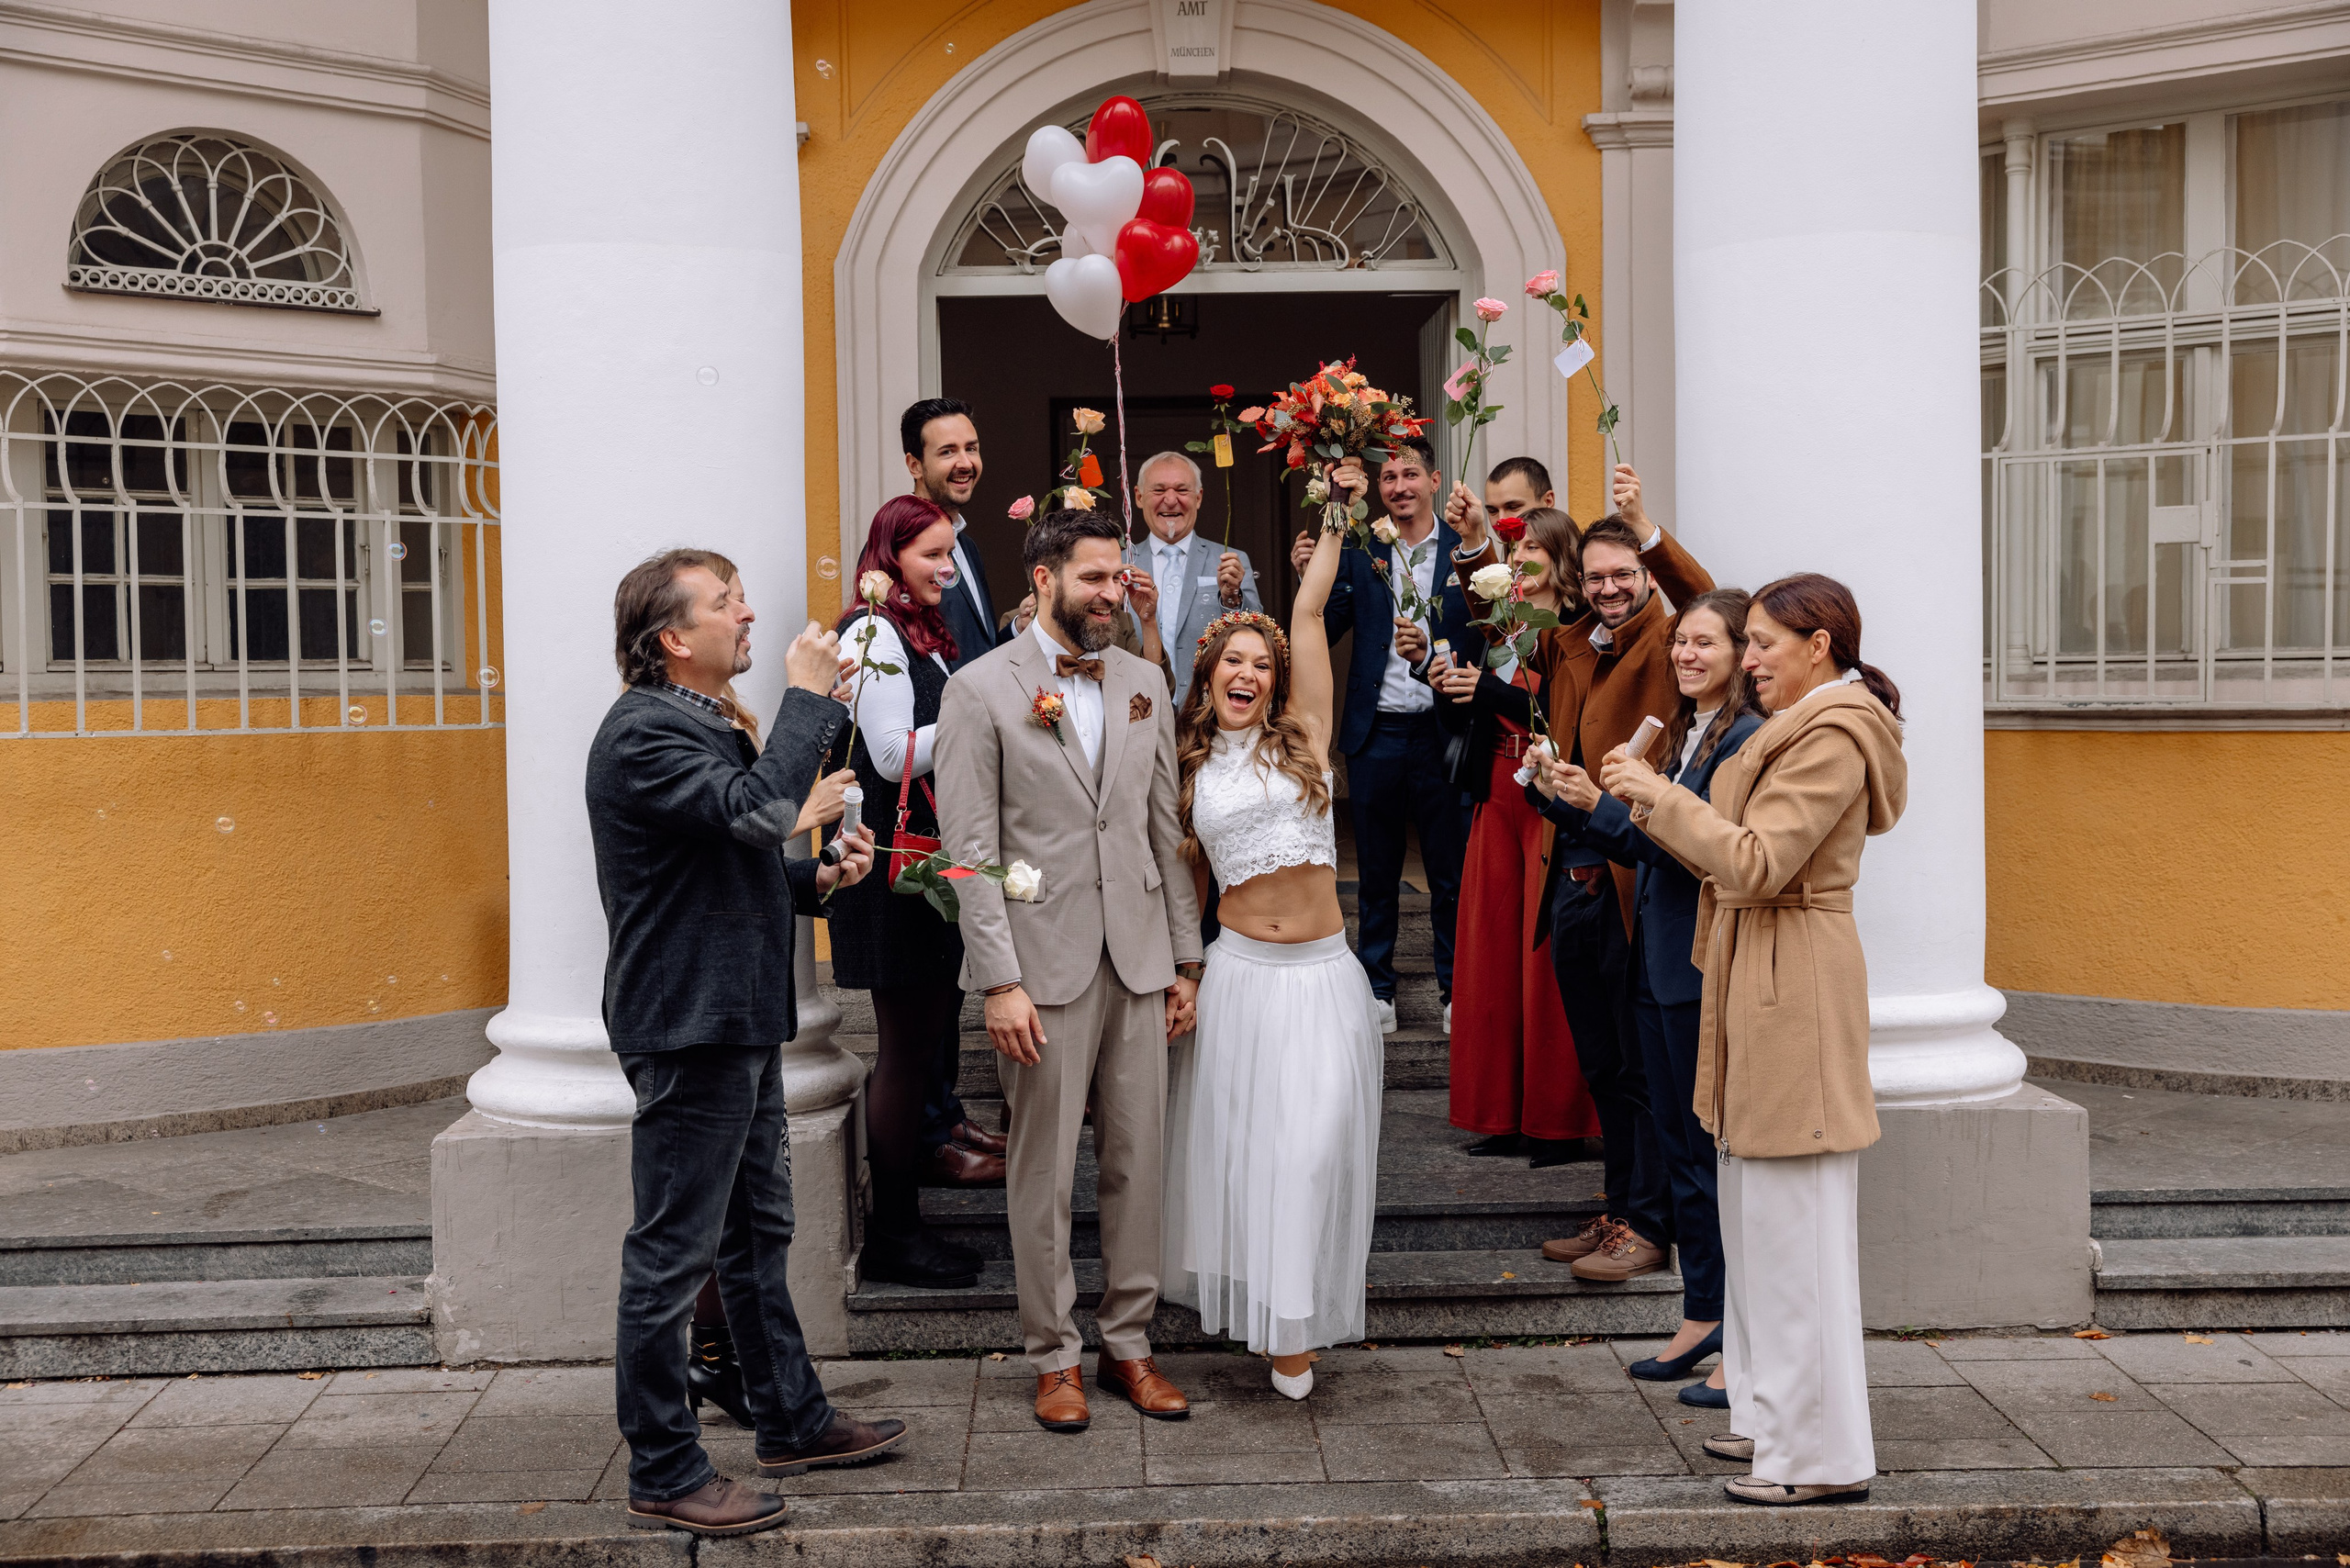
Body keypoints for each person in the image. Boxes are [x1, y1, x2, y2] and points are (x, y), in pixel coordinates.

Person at [588, 550, 905, 1537]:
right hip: (688, 1027)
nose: (749, 612)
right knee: (672, 1257)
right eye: (725, 603)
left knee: (754, 1235)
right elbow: (761, 812)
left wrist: (819, 881)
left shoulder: (699, 722)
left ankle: (790, 1417)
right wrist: (808, 698)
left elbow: (737, 855)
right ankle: (663, 1466)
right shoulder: (644, 731)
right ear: (674, 638)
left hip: (734, 1018)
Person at [1598, 572, 1905, 1507]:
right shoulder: (1798, 724)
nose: (1751, 656)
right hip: (1762, 974)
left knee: (1795, 1236)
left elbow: (1758, 859)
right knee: (1760, 1224)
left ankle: (1818, 1459)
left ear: (1819, 645)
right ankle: (1774, 1422)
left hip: (1793, 981)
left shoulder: (1834, 733)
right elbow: (1727, 829)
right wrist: (1657, 793)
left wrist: (1653, 791)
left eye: (1765, 641)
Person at [934, 507, 1203, 1434]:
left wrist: (1184, 957)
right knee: (1041, 1173)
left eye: (1119, 576)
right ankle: (1053, 1356)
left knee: (1138, 1160)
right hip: (1039, 966)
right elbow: (968, 851)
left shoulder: (1140, 682)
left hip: (1136, 957)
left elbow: (1163, 831)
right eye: (1094, 577)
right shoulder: (977, 689)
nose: (1112, 592)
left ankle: (1130, 1340)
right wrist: (997, 978)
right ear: (1044, 577)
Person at [1449, 465, 1709, 1285]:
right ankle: (1618, 1209)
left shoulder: (1666, 641)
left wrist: (1648, 530)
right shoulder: (1567, 645)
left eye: (1622, 575)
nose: (1608, 589)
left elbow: (1697, 596)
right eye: (1597, 577)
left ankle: (1649, 1223)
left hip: (1632, 876)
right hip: (1570, 871)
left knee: (1639, 1069)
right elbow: (1505, 617)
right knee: (1603, 1063)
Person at [1164, 459, 1382, 1402]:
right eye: (1232, 662)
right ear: (1206, 678)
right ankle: (1283, 1327)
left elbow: (1305, 609)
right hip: (1241, 977)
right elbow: (1186, 888)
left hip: (1325, 978)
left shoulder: (1304, 735)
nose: (1250, 671)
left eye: (1260, 662)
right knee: (1259, 1151)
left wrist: (1337, 509)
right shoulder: (1185, 771)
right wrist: (1184, 975)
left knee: (1316, 1144)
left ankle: (1292, 1313)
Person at [1536, 588, 1763, 1402]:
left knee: (1711, 1160)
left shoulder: (1745, 738)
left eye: (1706, 643)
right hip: (1655, 959)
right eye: (1682, 643)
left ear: (1744, 654)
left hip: (1699, 970)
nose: (1686, 655)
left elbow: (1707, 855)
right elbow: (1653, 842)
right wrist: (1580, 805)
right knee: (1679, 1156)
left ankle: (1743, 1337)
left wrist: (1612, 805)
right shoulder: (1690, 731)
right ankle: (1701, 1314)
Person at [828, 495, 1001, 1291]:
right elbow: (893, 756)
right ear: (890, 557)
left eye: (948, 555)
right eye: (932, 555)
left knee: (924, 1046)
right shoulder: (870, 631)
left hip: (924, 865)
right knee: (904, 1053)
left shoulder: (918, 632)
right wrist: (991, 714)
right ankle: (895, 1233)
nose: (945, 568)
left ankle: (905, 1219)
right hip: (892, 870)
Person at [1401, 505, 1596, 1166]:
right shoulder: (1508, 625)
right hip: (1496, 790)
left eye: (1532, 549)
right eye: (1513, 552)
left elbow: (1556, 713)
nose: (1519, 562)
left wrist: (1482, 688)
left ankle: (1557, 1122)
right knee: (1492, 958)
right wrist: (1471, 542)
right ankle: (1503, 1114)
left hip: (1549, 798)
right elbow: (1483, 611)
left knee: (1544, 963)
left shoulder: (1574, 629)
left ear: (1563, 560)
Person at [1291, 435, 1476, 1034]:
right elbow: (1330, 623)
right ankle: (1377, 990)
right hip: (1376, 733)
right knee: (1375, 871)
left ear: (1434, 480)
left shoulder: (1463, 552)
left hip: (1443, 729)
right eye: (1389, 477)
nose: (1398, 487)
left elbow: (1484, 636)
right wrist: (1308, 578)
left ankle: (1454, 992)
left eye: (1410, 475)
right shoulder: (1362, 547)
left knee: (1449, 871)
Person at [898, 398, 1013, 1189]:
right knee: (938, 960)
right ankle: (931, 1128)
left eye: (971, 447)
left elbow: (970, 651)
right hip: (934, 795)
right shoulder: (914, 550)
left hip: (963, 781)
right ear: (916, 465)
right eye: (947, 452)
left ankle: (946, 1111)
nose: (965, 461)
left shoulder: (964, 545)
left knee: (953, 956)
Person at [1130, 450, 1262, 707]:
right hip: (1137, 712)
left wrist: (1232, 598)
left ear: (1199, 497)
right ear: (1138, 496)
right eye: (1158, 490)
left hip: (1209, 713)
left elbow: (1258, 636)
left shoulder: (1230, 559)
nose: (1170, 500)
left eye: (1182, 490)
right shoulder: (1121, 562)